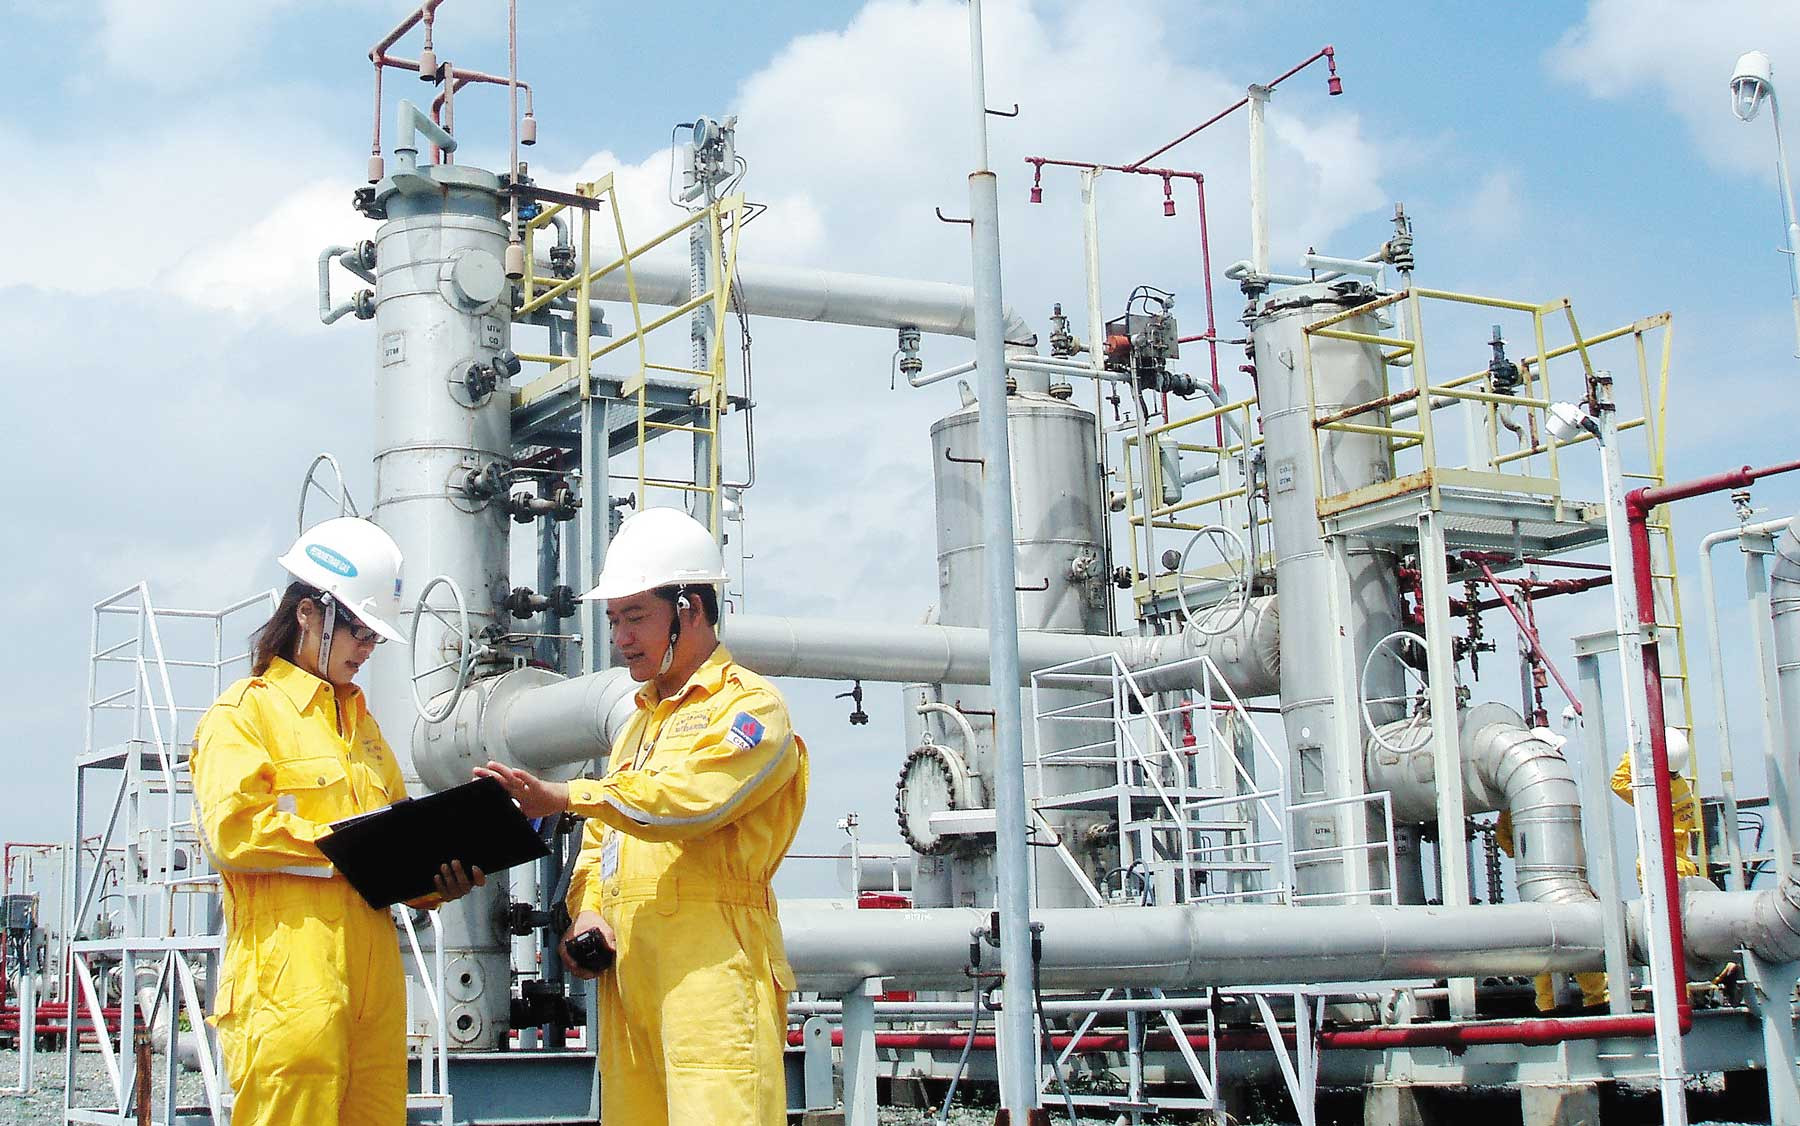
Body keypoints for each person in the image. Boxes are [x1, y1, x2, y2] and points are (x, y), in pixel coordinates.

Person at [476, 507, 808, 1126]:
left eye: (635, 618)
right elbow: (601, 845)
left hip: (711, 976)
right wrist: (588, 913)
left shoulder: (751, 709)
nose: (621, 637)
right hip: (630, 985)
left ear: (690, 609)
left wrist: (566, 796)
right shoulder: (638, 727)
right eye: (613, 621)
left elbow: (693, 802)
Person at [190, 517, 484, 1126]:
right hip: (290, 994)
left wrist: (438, 878)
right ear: (308, 613)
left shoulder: (364, 731)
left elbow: (399, 845)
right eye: (358, 630)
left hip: (374, 1000)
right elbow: (234, 833)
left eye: (374, 636)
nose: (367, 648)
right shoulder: (243, 715)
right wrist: (355, 847)